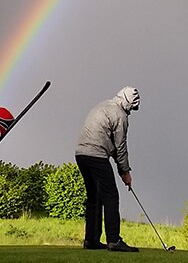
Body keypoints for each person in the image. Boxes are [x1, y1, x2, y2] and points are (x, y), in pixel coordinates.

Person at [74, 86, 141, 252]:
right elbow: (121, 146)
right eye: (132, 107)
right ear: (128, 102)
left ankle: (91, 240)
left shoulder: (103, 105)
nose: (131, 111)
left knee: (94, 197)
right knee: (111, 195)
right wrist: (125, 172)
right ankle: (114, 240)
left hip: (81, 155)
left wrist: (121, 169)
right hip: (96, 155)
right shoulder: (120, 115)